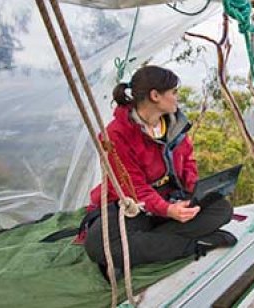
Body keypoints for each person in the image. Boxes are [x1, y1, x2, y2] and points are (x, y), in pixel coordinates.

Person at [83, 66, 236, 278]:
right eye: (173, 92)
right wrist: (168, 211)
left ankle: (141, 246)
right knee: (99, 245)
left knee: (221, 209)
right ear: (155, 96)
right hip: (131, 205)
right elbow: (133, 189)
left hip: (171, 197)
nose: (177, 97)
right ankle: (194, 244)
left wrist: (196, 192)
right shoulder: (115, 135)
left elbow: (188, 160)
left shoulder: (174, 125)